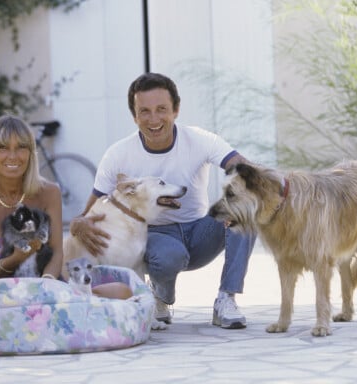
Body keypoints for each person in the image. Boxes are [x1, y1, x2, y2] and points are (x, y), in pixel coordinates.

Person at [69, 73, 257, 328]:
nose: (154, 119)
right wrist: (77, 224)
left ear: (176, 110)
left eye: (162, 109)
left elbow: (242, 167)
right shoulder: (117, 155)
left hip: (200, 232)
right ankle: (159, 295)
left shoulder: (200, 140)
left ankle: (226, 298)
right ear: (134, 116)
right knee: (169, 256)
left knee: (245, 210)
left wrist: (252, 192)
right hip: (157, 238)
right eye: (144, 111)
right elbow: (91, 208)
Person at [0, 114, 131, 300]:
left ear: (30, 153)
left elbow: (56, 252)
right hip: (2, 299)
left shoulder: (49, 193)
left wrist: (47, 286)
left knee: (122, 291)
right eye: (3, 148)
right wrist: (15, 259)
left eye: (21, 147)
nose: (13, 156)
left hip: (48, 290)